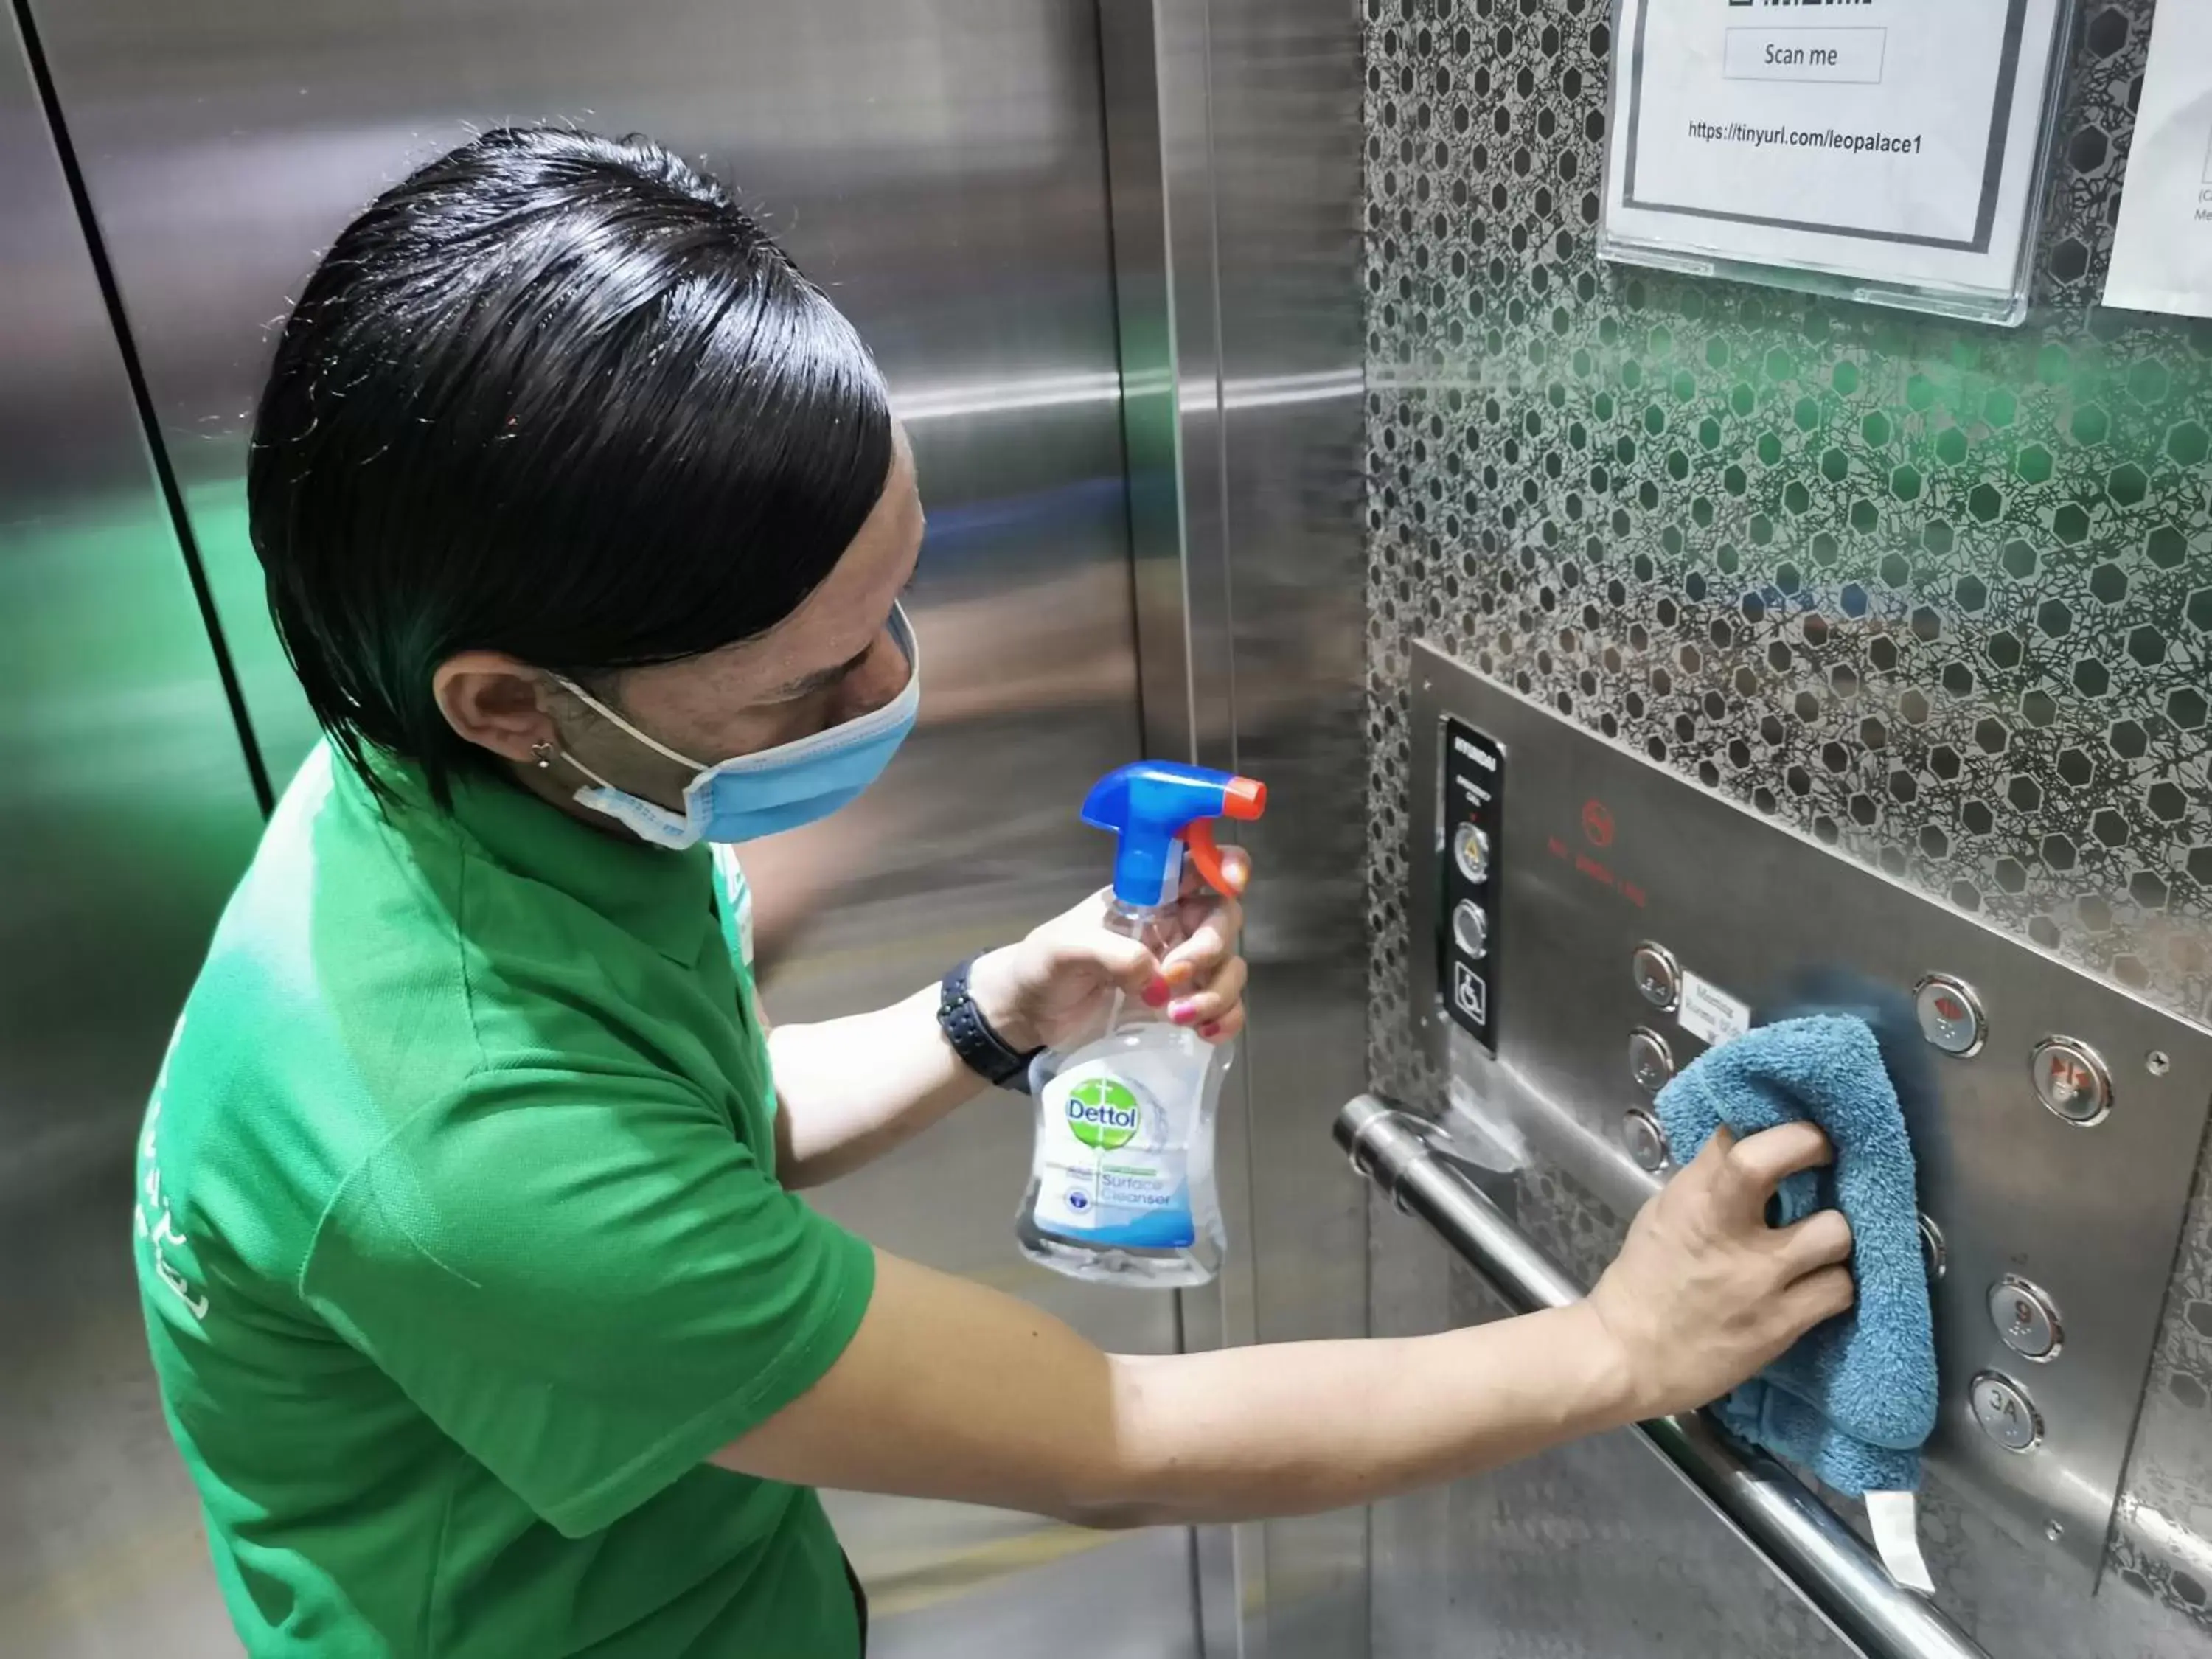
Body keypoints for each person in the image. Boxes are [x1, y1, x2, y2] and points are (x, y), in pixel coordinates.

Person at [133, 127, 1855, 1658]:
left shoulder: (461, 791)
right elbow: (1100, 1440)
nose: (889, 684)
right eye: (807, 689)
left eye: (897, 598)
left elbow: (673, 1125)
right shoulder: (456, 1146)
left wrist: (995, 1010)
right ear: (512, 700)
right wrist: (1622, 1350)